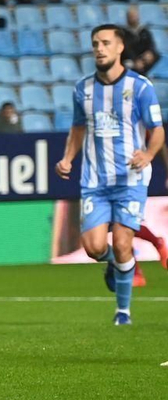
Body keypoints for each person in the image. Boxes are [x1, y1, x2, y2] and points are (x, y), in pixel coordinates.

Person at [56, 25, 166, 324]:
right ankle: (117, 265)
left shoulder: (140, 86)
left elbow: (157, 130)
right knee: (94, 248)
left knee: (121, 243)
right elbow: (78, 127)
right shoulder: (83, 89)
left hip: (130, 180)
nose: (99, 49)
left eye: (105, 43)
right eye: (95, 44)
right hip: (95, 181)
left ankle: (123, 312)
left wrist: (148, 154)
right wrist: (67, 157)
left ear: (120, 48)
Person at [121, 6, 158, 74]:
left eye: (135, 16)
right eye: (131, 16)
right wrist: (135, 60)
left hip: (144, 60)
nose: (133, 18)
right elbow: (126, 49)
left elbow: (151, 44)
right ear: (127, 17)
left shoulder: (144, 31)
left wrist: (150, 52)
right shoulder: (123, 32)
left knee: (157, 56)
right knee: (128, 64)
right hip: (128, 60)